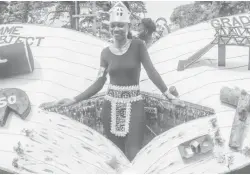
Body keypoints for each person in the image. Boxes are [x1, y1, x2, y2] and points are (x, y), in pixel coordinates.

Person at [40, 1, 180, 161]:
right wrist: (73, 99)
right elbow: (99, 83)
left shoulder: (138, 46)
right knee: (117, 157)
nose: (116, 29)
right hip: (110, 107)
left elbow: (151, 71)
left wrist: (168, 94)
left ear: (128, 26)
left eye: (120, 25)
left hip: (135, 106)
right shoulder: (105, 53)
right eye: (113, 25)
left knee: (134, 155)